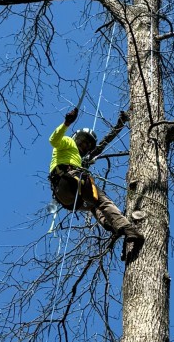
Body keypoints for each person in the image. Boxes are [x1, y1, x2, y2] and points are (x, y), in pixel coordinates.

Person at [48, 106, 144, 261]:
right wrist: (66, 123)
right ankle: (128, 229)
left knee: (93, 205)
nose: (84, 146)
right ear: (75, 137)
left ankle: (111, 225)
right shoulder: (67, 142)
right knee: (103, 200)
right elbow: (54, 140)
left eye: (88, 145)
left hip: (64, 195)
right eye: (83, 141)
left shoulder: (75, 157)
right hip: (70, 180)